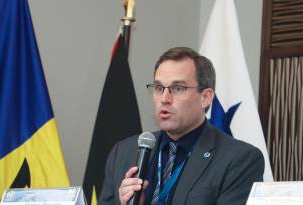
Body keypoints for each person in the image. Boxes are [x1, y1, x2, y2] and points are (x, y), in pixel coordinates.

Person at [98, 47, 264, 205]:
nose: (164, 98)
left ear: (205, 97)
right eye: (158, 88)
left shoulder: (240, 160)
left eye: (177, 88)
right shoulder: (123, 152)